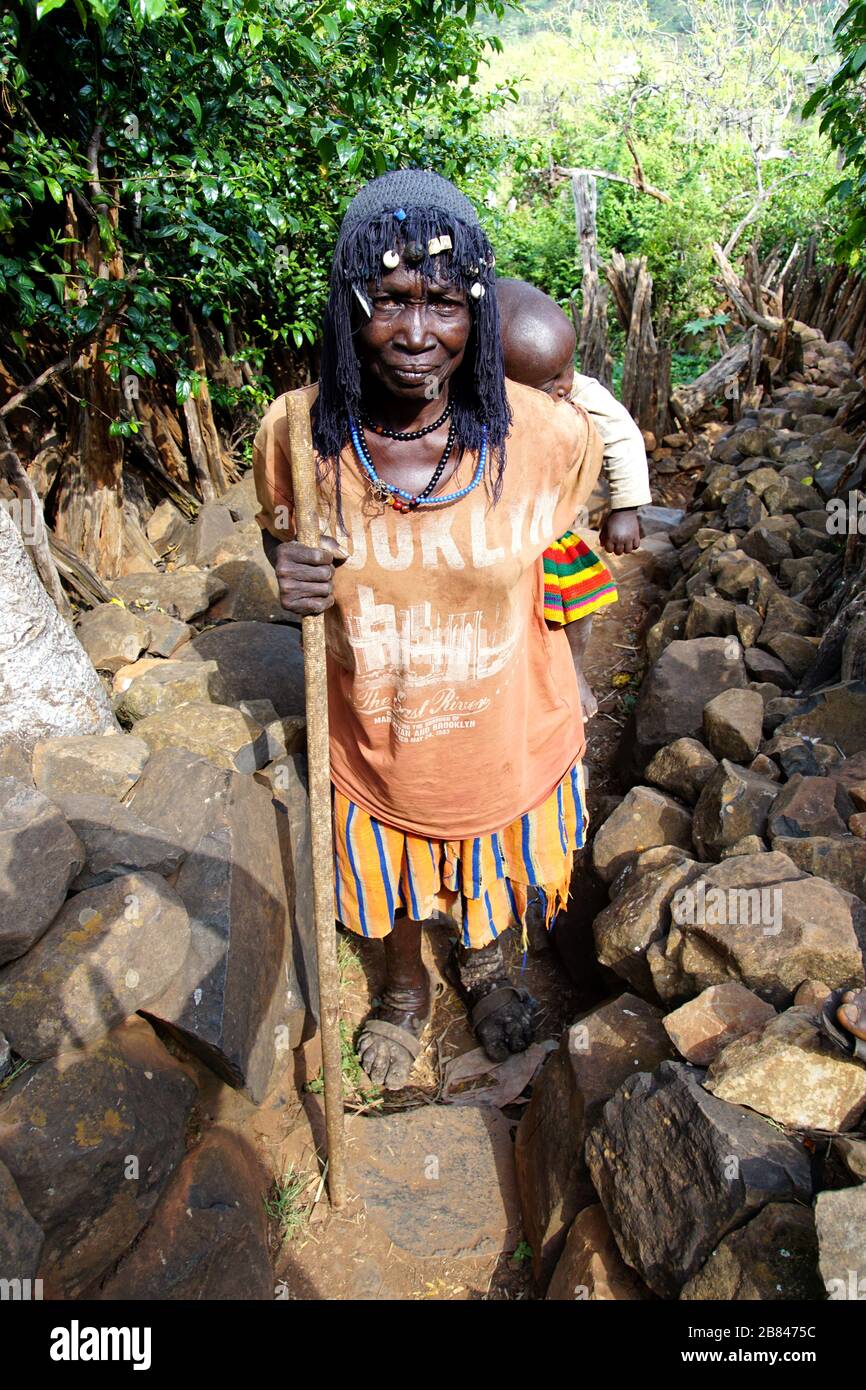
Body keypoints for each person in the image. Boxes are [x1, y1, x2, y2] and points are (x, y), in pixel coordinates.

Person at [254, 170, 603, 1090]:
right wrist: (284, 572)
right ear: (348, 304)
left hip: (503, 726)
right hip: (378, 734)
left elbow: (563, 558)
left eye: (445, 305)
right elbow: (277, 533)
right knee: (395, 864)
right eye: (391, 302)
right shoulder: (299, 436)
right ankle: (404, 990)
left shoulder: (545, 439)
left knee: (487, 858)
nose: (416, 335)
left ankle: (486, 966)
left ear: (477, 314)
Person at [498, 277, 652, 719]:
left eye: (568, 367)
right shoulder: (481, 399)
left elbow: (622, 434)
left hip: (550, 530)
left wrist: (625, 507)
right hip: (495, 537)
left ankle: (574, 672)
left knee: (574, 600)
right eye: (551, 380)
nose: (565, 384)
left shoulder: (576, 388)